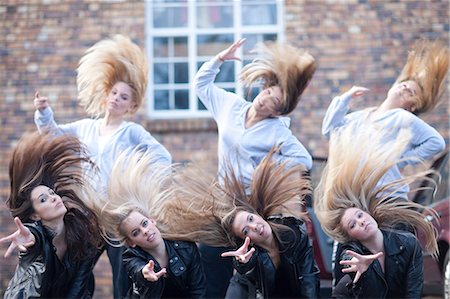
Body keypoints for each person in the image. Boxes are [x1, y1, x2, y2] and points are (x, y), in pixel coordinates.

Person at [33, 35, 172, 298]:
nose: (117, 99)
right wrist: (43, 112)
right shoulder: (86, 127)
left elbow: (162, 158)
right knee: (78, 274)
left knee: (124, 275)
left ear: (131, 105)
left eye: (124, 97)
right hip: (88, 217)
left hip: (118, 218)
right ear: (107, 94)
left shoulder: (132, 132)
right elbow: (53, 134)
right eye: (115, 93)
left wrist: (141, 187)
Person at [193, 38, 317, 297]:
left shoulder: (277, 132)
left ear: (278, 112)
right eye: (268, 93)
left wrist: (268, 167)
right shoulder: (232, 106)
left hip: (251, 206)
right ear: (264, 87)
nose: (265, 101)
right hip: (224, 200)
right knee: (210, 254)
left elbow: (304, 160)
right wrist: (218, 61)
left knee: (248, 267)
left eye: (274, 102)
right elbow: (201, 85)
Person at [156, 149, 320, 298]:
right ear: (245, 240)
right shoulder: (249, 256)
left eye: (250, 219)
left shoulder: (294, 232)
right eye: (246, 231)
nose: (255, 227)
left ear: (255, 213)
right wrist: (245, 266)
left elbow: (309, 278)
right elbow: (248, 278)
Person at [314, 122, 439, 298]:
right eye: (353, 224)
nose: (361, 221)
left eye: (360, 215)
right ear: (351, 236)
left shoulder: (408, 243)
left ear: (368, 213)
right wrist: (363, 273)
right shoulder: (351, 255)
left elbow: (413, 291)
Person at [322, 39, 448, 200]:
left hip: (387, 197)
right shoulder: (360, 117)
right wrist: (345, 98)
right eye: (404, 85)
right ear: (393, 86)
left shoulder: (403, 118)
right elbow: (330, 131)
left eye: (411, 92)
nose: (405, 88)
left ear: (413, 106)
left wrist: (401, 160)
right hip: (358, 196)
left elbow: (437, 143)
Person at [0, 132, 103, 298]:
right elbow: (34, 237)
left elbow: (78, 288)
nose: (53, 198)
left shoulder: (83, 238)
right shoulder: (34, 239)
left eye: (52, 193)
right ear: (35, 216)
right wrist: (30, 240)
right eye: (43, 199)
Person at [98, 151, 206, 298]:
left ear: (152, 221)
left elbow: (198, 291)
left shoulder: (186, 247)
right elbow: (137, 269)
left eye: (145, 223)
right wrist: (144, 274)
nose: (145, 231)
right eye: (136, 233)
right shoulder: (131, 257)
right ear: (131, 242)